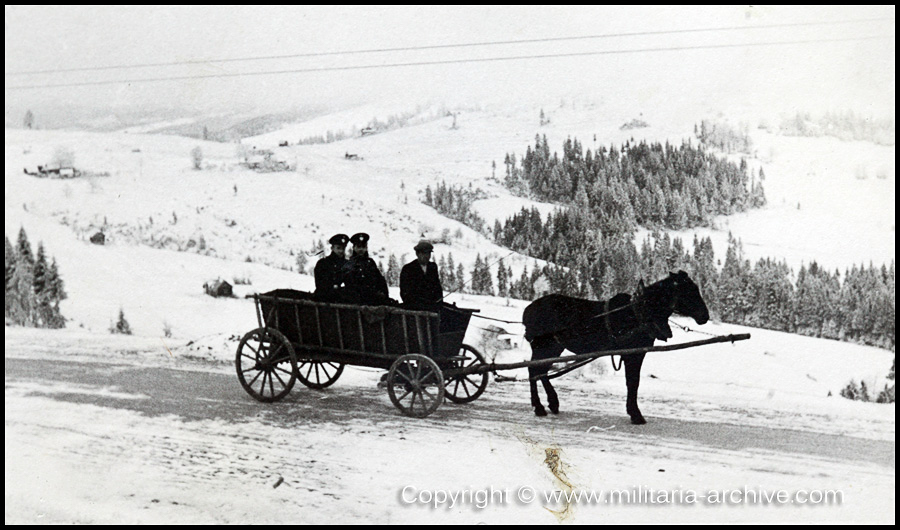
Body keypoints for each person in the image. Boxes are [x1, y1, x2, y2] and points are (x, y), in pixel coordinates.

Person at [341, 232, 392, 305]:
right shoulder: (349, 265)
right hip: (359, 302)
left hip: (374, 301)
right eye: (358, 247)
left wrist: (383, 295)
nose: (361, 249)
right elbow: (352, 286)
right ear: (354, 248)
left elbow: (380, 280)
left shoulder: (370, 263)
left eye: (363, 247)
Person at [399, 239, 443, 310]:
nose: (426, 256)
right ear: (417, 254)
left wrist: (438, 303)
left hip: (432, 307)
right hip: (414, 309)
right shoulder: (408, 269)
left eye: (428, 253)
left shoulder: (433, 267)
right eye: (423, 253)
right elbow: (405, 293)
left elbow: (438, 289)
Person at [314, 233, 349, 301]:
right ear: (332, 248)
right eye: (338, 248)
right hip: (323, 299)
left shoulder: (347, 265)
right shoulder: (323, 263)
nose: (341, 251)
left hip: (340, 300)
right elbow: (320, 285)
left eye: (343, 248)